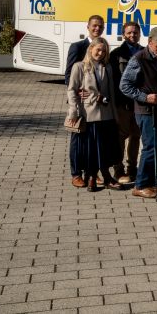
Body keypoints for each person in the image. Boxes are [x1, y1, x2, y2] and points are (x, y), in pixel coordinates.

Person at [120, 27, 157, 199]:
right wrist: (145, 97)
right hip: (146, 111)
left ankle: (152, 181)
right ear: (150, 42)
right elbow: (124, 85)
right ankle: (140, 185)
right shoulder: (139, 59)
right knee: (150, 147)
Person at [66, 36, 121, 191]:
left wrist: (114, 114)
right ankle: (90, 176)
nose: (100, 53)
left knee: (104, 148)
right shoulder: (79, 66)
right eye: (98, 50)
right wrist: (73, 112)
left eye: (104, 51)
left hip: (106, 114)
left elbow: (111, 92)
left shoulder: (107, 67)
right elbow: (72, 90)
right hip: (88, 114)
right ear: (90, 49)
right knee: (90, 148)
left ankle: (106, 176)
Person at [65, 14, 105, 188]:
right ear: (87, 27)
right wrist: (75, 96)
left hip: (96, 106)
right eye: (94, 25)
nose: (97, 28)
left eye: (100, 26)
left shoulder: (103, 47)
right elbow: (69, 75)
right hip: (81, 104)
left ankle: (92, 172)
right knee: (78, 140)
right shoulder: (78, 46)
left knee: (93, 141)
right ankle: (76, 174)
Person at [108, 21, 142, 185]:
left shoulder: (144, 52)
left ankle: (132, 169)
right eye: (129, 33)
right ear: (123, 35)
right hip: (123, 104)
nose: (132, 35)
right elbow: (114, 81)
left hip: (140, 103)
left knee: (136, 136)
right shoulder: (116, 54)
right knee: (120, 137)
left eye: (135, 32)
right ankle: (118, 169)